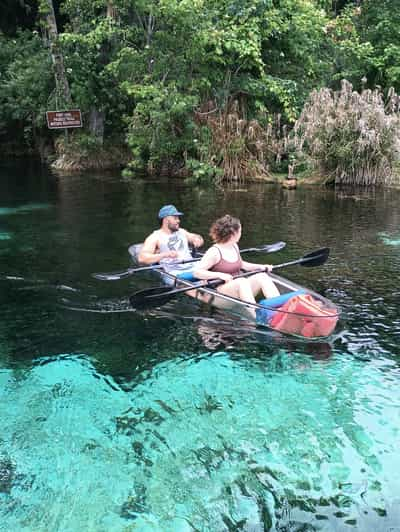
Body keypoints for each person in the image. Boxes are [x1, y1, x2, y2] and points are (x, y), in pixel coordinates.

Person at [193, 214, 280, 319]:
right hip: (219, 294)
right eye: (240, 231)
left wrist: (260, 266)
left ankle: (279, 311)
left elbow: (242, 264)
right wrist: (220, 275)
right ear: (234, 233)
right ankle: (257, 316)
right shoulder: (214, 251)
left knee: (262, 276)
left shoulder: (234, 246)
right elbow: (196, 272)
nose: (241, 234)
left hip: (237, 289)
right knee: (241, 281)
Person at [138, 205, 204, 281]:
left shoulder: (181, 231)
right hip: (174, 273)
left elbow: (195, 237)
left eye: (178, 218)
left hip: (193, 267)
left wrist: (197, 240)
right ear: (166, 220)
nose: (178, 221)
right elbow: (142, 258)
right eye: (175, 218)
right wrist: (165, 254)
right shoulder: (155, 237)